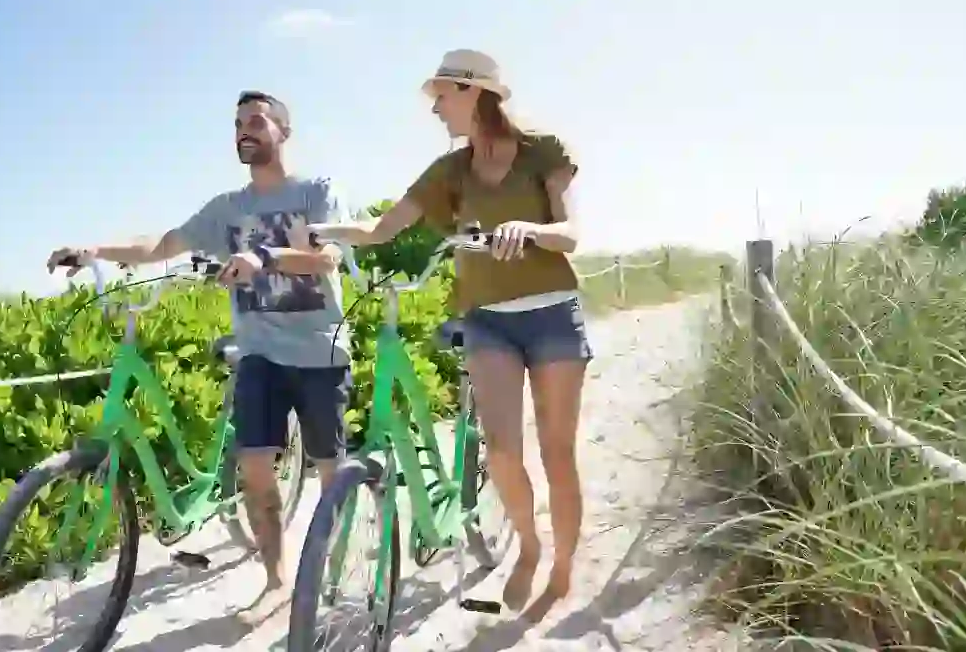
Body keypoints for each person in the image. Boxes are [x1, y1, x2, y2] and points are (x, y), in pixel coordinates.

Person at [47, 90, 352, 621]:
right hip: (260, 352)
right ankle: (277, 580)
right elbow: (162, 242)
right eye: (237, 124)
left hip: (318, 350)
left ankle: (332, 567)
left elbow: (326, 260)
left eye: (256, 121)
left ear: (284, 129)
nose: (244, 130)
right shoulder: (226, 209)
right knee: (255, 472)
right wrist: (95, 249)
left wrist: (264, 256)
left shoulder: (316, 192)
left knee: (331, 471)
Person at [309, 49, 590, 622]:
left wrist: (530, 229)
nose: (435, 108)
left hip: (553, 312)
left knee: (558, 452)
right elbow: (381, 228)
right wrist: (321, 231)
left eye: (441, 96)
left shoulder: (544, 150)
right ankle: (529, 547)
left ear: (472, 92)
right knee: (505, 450)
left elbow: (570, 234)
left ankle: (562, 568)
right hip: (487, 319)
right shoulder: (450, 171)